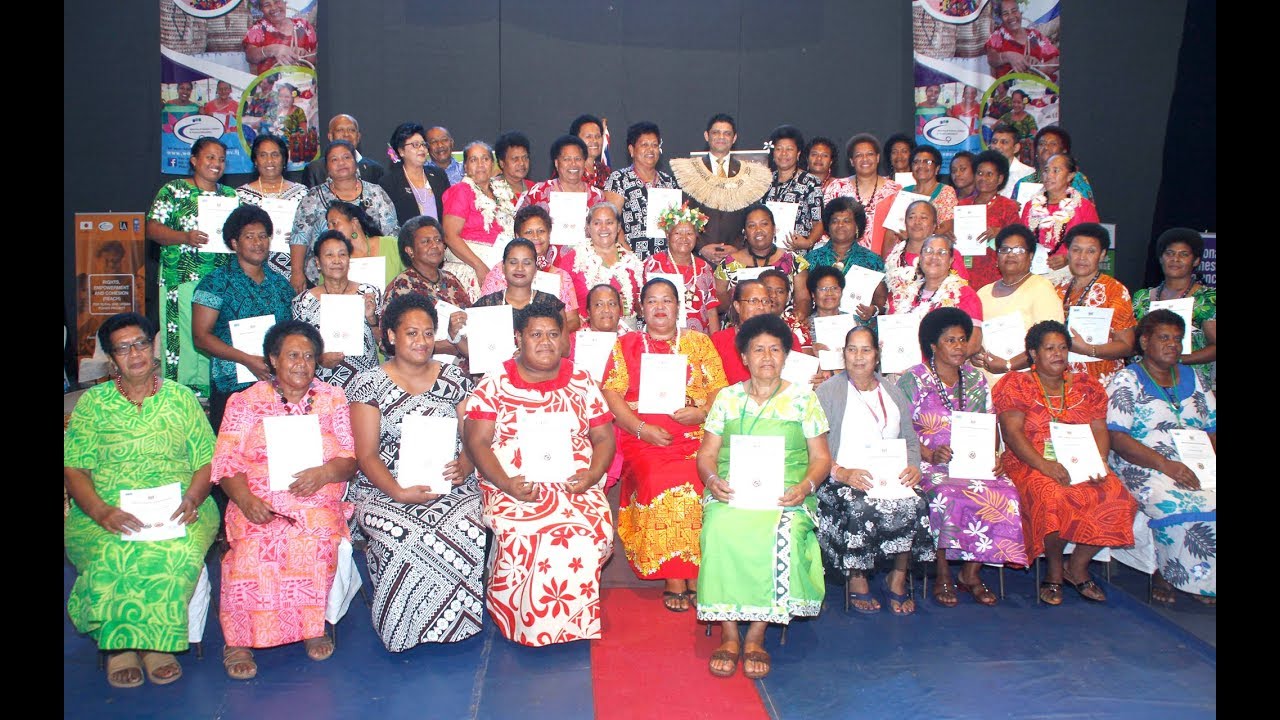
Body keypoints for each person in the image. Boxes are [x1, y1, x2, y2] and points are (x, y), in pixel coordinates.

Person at [64, 313, 219, 689]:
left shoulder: (181, 398)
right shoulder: (93, 404)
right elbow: (74, 469)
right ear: (111, 358)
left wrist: (193, 497)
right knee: (110, 552)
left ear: (153, 348)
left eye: (141, 344)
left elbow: (207, 461)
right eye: (123, 348)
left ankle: (154, 644)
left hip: (181, 504)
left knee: (175, 551)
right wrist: (101, 511)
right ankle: (120, 646)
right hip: (104, 506)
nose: (135, 354)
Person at [463, 305, 616, 645]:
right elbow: (477, 442)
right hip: (512, 482)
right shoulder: (495, 382)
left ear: (564, 339)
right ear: (518, 338)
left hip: (574, 481)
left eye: (553, 334)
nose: (545, 342)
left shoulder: (581, 379)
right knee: (525, 532)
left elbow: (604, 437)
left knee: (591, 530)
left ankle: (573, 619)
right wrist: (506, 484)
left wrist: (592, 475)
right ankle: (520, 619)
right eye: (536, 334)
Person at [213, 320, 357, 680]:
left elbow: (350, 460)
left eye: (309, 356)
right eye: (293, 355)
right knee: (252, 547)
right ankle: (239, 640)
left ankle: (311, 626)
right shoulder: (245, 402)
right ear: (273, 359)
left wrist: (324, 473)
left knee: (314, 538)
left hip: (316, 496)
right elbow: (226, 462)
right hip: (258, 499)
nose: (301, 364)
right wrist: (245, 499)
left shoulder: (333, 399)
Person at [697, 314, 831, 680]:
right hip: (733, 490)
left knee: (780, 533)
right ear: (744, 357)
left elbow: (821, 459)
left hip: (787, 494)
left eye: (775, 349)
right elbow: (707, 455)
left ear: (786, 356)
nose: (767, 357)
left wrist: (804, 488)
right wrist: (712, 480)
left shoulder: (803, 399)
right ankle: (728, 634)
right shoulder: (726, 398)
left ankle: (756, 635)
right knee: (719, 528)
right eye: (758, 350)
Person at [347, 294, 484, 649]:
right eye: (411, 333)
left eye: (427, 333)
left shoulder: (454, 377)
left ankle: (457, 623)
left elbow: (472, 436)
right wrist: (398, 492)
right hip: (385, 486)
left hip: (450, 481)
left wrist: (466, 463)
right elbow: (366, 455)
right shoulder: (368, 384)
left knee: (465, 526)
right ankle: (401, 628)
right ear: (391, 336)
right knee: (404, 532)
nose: (421, 341)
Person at [603, 278, 728, 612]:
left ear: (678, 307)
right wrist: (641, 429)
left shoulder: (699, 342)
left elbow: (719, 388)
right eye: (652, 301)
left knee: (700, 476)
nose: (660, 307)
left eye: (667, 300)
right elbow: (611, 393)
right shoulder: (627, 344)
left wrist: (702, 413)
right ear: (641, 309)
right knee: (661, 478)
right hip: (644, 437)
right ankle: (674, 575)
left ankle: (696, 571)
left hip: (696, 434)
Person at [992, 320, 1136, 605]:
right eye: (1049, 348)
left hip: (1082, 460)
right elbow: (1012, 433)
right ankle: (1055, 571)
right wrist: (1044, 466)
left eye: (1062, 348)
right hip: (1030, 461)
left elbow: (1099, 429)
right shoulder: (1017, 384)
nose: (1058, 354)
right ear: (1033, 353)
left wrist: (1099, 462)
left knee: (1118, 496)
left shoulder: (1086, 385)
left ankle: (1077, 566)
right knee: (1052, 495)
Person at [898, 308, 1027, 608]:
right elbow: (900, 429)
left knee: (1006, 492)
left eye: (962, 340)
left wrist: (993, 456)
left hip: (973, 461)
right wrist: (930, 453)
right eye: (950, 340)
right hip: (928, 462)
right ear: (933, 345)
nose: (959, 346)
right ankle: (943, 572)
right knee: (945, 494)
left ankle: (971, 573)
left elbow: (989, 423)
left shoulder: (976, 378)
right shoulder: (913, 379)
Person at [813, 324, 932, 615]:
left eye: (865, 350)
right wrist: (841, 472)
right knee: (860, 506)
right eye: (852, 350)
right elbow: (815, 445)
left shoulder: (893, 391)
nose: (858, 357)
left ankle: (897, 578)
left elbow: (910, 439)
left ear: (877, 355)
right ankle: (857, 578)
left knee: (917, 503)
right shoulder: (828, 392)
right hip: (841, 477)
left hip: (889, 475)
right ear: (843, 354)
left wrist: (913, 467)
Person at [1106, 310, 1217, 605]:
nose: (1172, 345)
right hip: (1143, 463)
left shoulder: (1196, 378)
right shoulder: (1127, 380)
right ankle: (1168, 572)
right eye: (1164, 338)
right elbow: (1117, 438)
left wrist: (1208, 464)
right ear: (1145, 342)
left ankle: (1206, 580)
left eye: (1177, 339)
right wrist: (1166, 465)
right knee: (1176, 501)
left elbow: (1213, 427)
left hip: (1197, 461)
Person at [146, 136, 239, 400]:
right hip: (181, 276)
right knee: (184, 336)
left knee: (215, 334)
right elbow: (153, 229)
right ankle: (181, 395)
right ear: (194, 160)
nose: (216, 163)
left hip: (219, 279)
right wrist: (184, 237)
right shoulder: (173, 190)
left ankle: (214, 394)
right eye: (210, 157)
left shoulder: (230, 196)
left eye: (221, 159)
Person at [192, 204, 295, 430]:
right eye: (249, 237)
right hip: (232, 386)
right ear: (234, 243)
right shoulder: (214, 283)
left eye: (263, 236)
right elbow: (200, 337)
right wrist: (247, 359)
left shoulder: (281, 285)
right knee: (234, 448)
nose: (258, 242)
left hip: (278, 384)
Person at [290, 140, 399, 292]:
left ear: (356, 162)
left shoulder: (376, 192)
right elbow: (299, 237)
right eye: (334, 159)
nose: (341, 163)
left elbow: (392, 233)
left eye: (346, 157)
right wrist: (296, 272)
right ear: (327, 167)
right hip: (323, 279)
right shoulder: (313, 197)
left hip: (377, 273)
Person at [669, 113, 772, 266]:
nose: (721, 137)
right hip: (696, 256)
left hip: (736, 256)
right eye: (716, 132)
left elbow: (751, 217)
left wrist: (737, 247)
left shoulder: (748, 175)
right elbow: (682, 214)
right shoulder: (689, 171)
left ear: (734, 138)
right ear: (707, 136)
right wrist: (700, 247)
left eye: (727, 133)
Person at [972, 224, 1064, 385]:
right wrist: (973, 353)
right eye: (1004, 249)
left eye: (1019, 250)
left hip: (1025, 384)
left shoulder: (1041, 288)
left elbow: (1050, 342)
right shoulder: (983, 293)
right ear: (997, 256)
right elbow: (973, 335)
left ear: (1031, 256)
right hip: (985, 384)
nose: (1010, 254)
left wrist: (1008, 365)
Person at [291, 230, 382, 389]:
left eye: (342, 254)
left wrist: (372, 319)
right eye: (329, 255)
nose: (337, 260)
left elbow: (386, 345)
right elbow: (297, 349)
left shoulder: (369, 293)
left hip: (366, 385)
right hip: (322, 388)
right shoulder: (303, 302)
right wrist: (319, 359)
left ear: (349, 260)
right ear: (318, 262)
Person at [1131, 228, 1217, 390]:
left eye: (1184, 254)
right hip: (1145, 380)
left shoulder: (1206, 298)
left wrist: (1176, 358)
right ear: (1161, 258)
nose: (1175, 259)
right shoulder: (1142, 298)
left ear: (1196, 261)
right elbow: (1133, 341)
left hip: (1189, 382)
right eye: (1169, 253)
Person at [1053, 223, 1135, 388]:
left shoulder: (1114, 290)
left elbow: (1127, 346)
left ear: (1102, 255)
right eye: (1076, 250)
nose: (1082, 257)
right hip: (1063, 381)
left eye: (1090, 251)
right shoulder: (1058, 289)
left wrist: (1089, 349)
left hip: (1102, 382)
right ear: (1068, 253)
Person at [383, 216, 470, 361]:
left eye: (438, 240)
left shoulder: (451, 280)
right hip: (421, 366)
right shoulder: (401, 286)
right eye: (426, 241)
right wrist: (439, 346)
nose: (434, 245)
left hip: (464, 364)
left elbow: (471, 322)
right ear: (410, 250)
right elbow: (388, 342)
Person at [441, 140, 517, 301]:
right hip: (472, 268)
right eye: (473, 160)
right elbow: (449, 236)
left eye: (485, 159)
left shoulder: (502, 191)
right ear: (465, 166)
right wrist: (479, 266)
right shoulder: (461, 190)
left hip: (502, 265)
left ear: (493, 164)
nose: (480, 164)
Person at [887, 234, 984, 358]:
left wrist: (933, 365)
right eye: (928, 251)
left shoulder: (965, 295)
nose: (934, 257)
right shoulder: (904, 294)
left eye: (942, 252)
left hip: (943, 368)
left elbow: (973, 344)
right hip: (902, 365)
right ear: (920, 258)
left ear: (951, 260)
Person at [557, 201, 646, 330]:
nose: (604, 228)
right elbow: (558, 304)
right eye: (597, 223)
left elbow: (640, 305)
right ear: (588, 228)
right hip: (586, 335)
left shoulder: (632, 261)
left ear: (618, 227)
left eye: (609, 222)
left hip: (628, 334)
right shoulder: (574, 260)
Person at [713, 204, 811, 319]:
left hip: (782, 326)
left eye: (764, 224)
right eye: (751, 225)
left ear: (774, 229)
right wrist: (731, 296)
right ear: (745, 233)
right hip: (740, 327)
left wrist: (799, 317)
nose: (758, 230)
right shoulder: (728, 263)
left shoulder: (794, 261)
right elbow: (716, 305)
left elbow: (804, 299)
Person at [480, 204, 579, 318]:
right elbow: (484, 314)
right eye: (528, 232)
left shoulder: (561, 276)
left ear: (549, 235)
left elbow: (572, 320)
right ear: (517, 236)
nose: (536, 237)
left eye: (541, 231)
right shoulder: (501, 271)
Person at [603, 121, 682, 260]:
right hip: (631, 258)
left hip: (666, 259)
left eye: (655, 145)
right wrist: (629, 256)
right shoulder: (619, 179)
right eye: (644, 145)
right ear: (631, 150)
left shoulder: (669, 182)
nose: (650, 150)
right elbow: (611, 221)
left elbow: (677, 225)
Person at [237, 133, 308, 280]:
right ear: (255, 160)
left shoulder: (302, 193)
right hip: (252, 273)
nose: (269, 160)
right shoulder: (241, 196)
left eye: (275, 155)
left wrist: (298, 237)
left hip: (296, 273)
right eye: (263, 155)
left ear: (284, 159)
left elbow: (313, 233)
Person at [1021, 153, 1100, 284]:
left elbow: (1094, 245)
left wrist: (1068, 258)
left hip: (1070, 275)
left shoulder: (1083, 207)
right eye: (1046, 170)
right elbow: (1022, 241)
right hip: (1033, 274)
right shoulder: (1030, 206)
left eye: (1056, 170)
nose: (1049, 175)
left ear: (1070, 176)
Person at [806, 198, 888, 323]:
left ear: (857, 226)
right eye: (835, 221)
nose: (840, 225)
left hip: (859, 327)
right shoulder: (811, 259)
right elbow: (804, 299)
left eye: (846, 221)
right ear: (828, 226)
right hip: (819, 326)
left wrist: (873, 310)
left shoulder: (872, 261)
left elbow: (881, 301)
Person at [643, 203, 720, 333]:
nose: (684, 238)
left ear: (696, 236)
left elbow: (711, 310)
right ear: (668, 235)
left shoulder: (704, 268)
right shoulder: (652, 265)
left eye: (689, 233)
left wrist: (715, 342)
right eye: (678, 233)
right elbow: (640, 304)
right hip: (661, 337)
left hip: (698, 339)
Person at [471, 239, 573, 335]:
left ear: (535, 269)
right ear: (503, 267)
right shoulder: (485, 305)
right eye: (513, 262)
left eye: (527, 263)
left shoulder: (551, 304)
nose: (520, 268)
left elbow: (563, 346)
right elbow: (473, 346)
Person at [823, 134, 903, 256]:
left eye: (870, 154)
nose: (865, 159)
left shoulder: (895, 190)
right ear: (851, 161)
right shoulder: (836, 188)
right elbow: (826, 228)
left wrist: (883, 263)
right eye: (859, 155)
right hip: (841, 260)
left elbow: (897, 234)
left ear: (877, 158)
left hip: (882, 261)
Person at [954, 149, 1021, 289]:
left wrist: (1000, 233)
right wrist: (951, 235)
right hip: (964, 270)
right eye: (979, 173)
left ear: (1000, 179)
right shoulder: (962, 205)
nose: (983, 178)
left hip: (994, 272)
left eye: (989, 174)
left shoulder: (1008, 206)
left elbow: (1019, 240)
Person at [762, 124, 825, 251]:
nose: (783, 154)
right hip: (766, 252)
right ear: (773, 153)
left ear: (798, 154)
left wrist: (808, 242)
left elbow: (818, 222)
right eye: (779, 149)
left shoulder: (810, 182)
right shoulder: (764, 181)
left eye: (789, 149)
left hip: (797, 252)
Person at [378, 121, 450, 225]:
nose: (422, 149)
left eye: (423, 144)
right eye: (415, 145)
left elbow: (450, 212)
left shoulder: (438, 175)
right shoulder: (389, 183)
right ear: (401, 151)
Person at [514, 134, 605, 214]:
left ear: (584, 162)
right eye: (567, 159)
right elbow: (520, 223)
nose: (573, 164)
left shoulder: (597, 196)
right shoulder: (539, 192)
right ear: (556, 163)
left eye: (578, 159)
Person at [326, 200, 405, 290]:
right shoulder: (333, 260)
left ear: (354, 223)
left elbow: (413, 278)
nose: (330, 230)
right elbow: (325, 293)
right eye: (328, 226)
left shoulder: (391, 245)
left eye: (334, 223)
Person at [884, 201, 969, 279]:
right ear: (905, 223)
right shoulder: (894, 256)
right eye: (911, 217)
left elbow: (962, 288)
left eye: (923, 218)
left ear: (934, 225)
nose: (917, 222)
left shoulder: (948, 255)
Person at [710, 280, 772, 384]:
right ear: (737, 306)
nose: (761, 307)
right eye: (753, 301)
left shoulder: (785, 338)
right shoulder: (719, 341)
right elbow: (711, 384)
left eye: (766, 301)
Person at [1011, 126, 1095, 203]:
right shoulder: (1023, 183)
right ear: (1035, 151)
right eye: (1041, 144)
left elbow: (1086, 209)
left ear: (1064, 151)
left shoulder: (1075, 178)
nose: (1046, 147)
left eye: (1053, 144)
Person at [986, 0, 1060, 83]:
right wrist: (1009, 56)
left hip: (1041, 87)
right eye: (1005, 13)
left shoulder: (1034, 35)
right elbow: (991, 58)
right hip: (1010, 89)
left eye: (1014, 11)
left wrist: (1038, 68)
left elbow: (1056, 61)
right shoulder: (998, 36)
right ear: (1000, 18)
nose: (1011, 16)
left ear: (1020, 13)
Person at [302, 114, 386, 187]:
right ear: (330, 136)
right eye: (340, 130)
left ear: (358, 136)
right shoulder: (314, 169)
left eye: (351, 130)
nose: (346, 134)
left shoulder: (375, 169)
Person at [243, 0, 317, 75]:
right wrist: (273, 49)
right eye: (266, 5)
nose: (273, 8)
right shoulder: (258, 29)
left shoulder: (303, 26)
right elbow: (250, 56)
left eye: (277, 1)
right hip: (271, 81)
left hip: (303, 79)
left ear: (285, 2)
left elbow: (317, 54)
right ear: (261, 9)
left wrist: (305, 56)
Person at [899, 144, 957, 236]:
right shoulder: (904, 192)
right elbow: (893, 229)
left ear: (937, 168)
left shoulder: (946, 192)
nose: (921, 165)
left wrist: (914, 237)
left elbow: (946, 228)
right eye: (916, 162)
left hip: (933, 244)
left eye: (927, 162)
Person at [989, 123, 1035, 199]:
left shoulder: (1028, 174)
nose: (997, 146)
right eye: (994, 142)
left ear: (1016, 148)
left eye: (1004, 142)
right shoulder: (982, 173)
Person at [570, 114, 612, 190]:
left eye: (598, 136)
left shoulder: (605, 171)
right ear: (575, 139)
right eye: (588, 136)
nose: (594, 140)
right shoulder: (569, 169)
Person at [999, 90, 1039, 167]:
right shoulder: (1007, 116)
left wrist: (1024, 140)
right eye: (1014, 102)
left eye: (1019, 102)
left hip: (1023, 150)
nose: (1016, 105)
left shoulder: (1029, 118)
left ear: (1024, 103)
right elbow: (995, 128)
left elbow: (1034, 134)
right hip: (1008, 148)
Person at [494, 131, 535, 201]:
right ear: (502, 163)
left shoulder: (534, 189)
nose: (522, 163)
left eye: (525, 157)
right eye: (515, 159)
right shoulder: (492, 188)